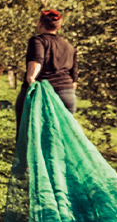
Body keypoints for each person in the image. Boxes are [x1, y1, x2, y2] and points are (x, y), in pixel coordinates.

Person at [14, 9, 78, 137]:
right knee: (61, 136)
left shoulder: (38, 40)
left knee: (30, 133)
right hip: (67, 95)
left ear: (40, 24)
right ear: (59, 26)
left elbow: (37, 59)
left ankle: (30, 157)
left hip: (42, 92)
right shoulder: (70, 47)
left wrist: (31, 78)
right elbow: (74, 78)